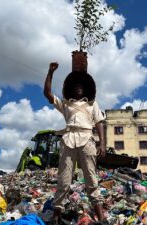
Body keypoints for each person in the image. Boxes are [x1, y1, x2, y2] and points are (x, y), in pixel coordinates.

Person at [43, 62, 107, 223]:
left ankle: (101, 218)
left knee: (91, 178)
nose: (78, 88)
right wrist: (50, 72)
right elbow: (47, 93)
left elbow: (99, 122)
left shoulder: (92, 104)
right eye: (76, 86)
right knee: (64, 179)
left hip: (87, 139)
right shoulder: (66, 104)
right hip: (69, 139)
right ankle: (56, 216)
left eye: (81, 86)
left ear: (85, 89)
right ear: (72, 89)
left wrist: (102, 144)